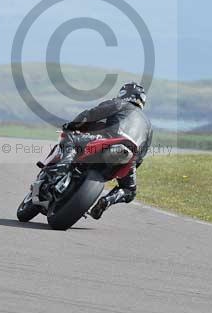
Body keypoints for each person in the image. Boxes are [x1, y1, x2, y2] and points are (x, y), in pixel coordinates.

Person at [57, 82, 153, 220]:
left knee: (70, 139)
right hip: (128, 156)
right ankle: (107, 201)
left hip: (107, 141)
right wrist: (129, 167)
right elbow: (141, 155)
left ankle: (62, 168)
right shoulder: (148, 125)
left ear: (124, 94)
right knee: (129, 190)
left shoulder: (119, 103)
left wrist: (72, 125)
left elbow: (92, 114)